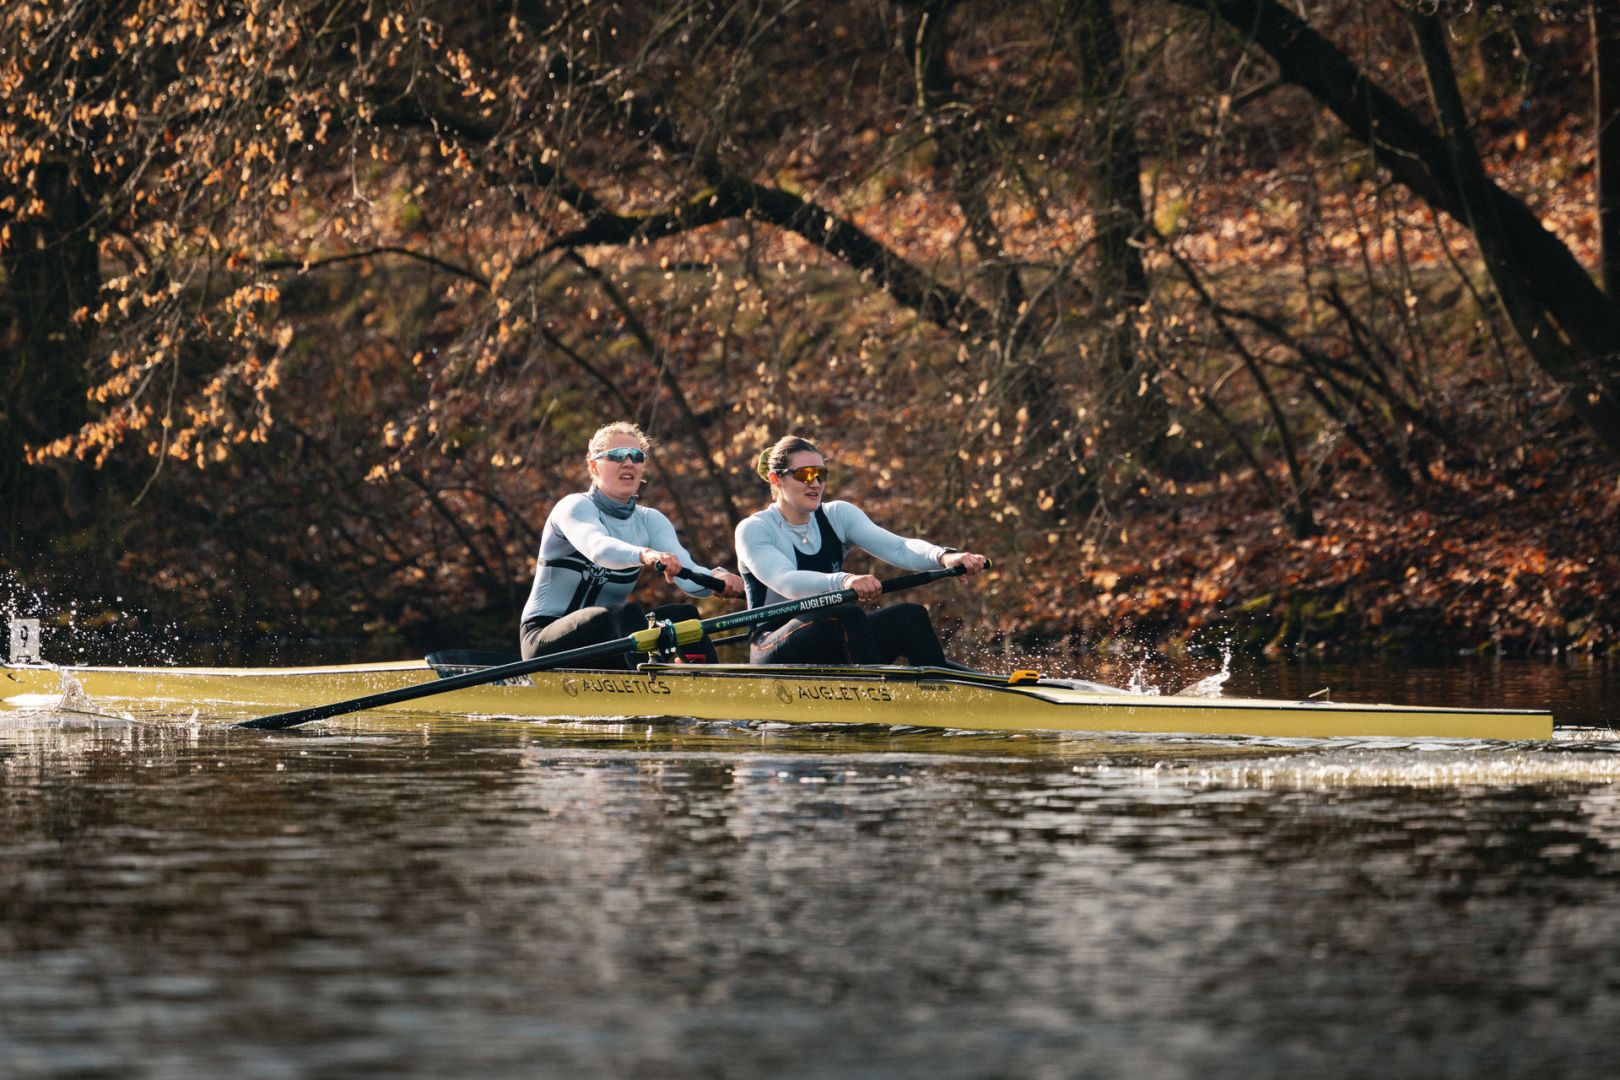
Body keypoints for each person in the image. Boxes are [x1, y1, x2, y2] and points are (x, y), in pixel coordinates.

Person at [734, 434, 988, 667]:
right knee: (847, 613)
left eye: (821, 474)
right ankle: (877, 697)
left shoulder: (838, 515)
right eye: (804, 474)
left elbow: (899, 547)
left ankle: (942, 693)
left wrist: (944, 556)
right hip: (773, 644)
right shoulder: (754, 529)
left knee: (910, 616)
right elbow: (786, 581)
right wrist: (846, 580)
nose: (816, 483)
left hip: (833, 633)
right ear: (775, 479)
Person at [520, 421, 744, 666]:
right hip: (544, 642)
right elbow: (599, 548)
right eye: (616, 456)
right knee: (626, 613)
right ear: (593, 465)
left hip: (608, 642)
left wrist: (717, 578)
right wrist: (645, 554)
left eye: (636, 456)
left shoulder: (650, 521)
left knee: (684, 617)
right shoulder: (574, 507)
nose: (628, 462)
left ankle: (709, 689)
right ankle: (648, 684)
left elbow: (687, 574)